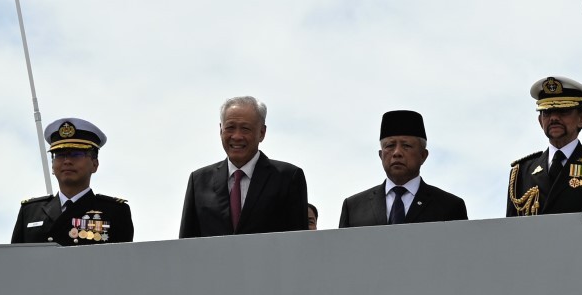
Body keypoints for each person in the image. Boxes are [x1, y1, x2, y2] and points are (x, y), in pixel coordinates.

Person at [178, 95, 310, 237]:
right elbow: (186, 245)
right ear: (220, 130)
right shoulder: (198, 181)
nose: (237, 136)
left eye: (245, 129)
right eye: (230, 127)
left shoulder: (288, 178)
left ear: (262, 133)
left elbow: (299, 244)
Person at [506, 76, 582, 215]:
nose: (554, 118)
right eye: (547, 112)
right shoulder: (522, 173)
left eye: (563, 111)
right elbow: (511, 231)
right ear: (540, 121)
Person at [11, 117, 133, 244]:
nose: (67, 161)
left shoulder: (115, 212)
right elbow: (15, 261)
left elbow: (122, 261)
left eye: (76, 154)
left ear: (94, 164)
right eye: (59, 155)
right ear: (52, 166)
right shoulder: (30, 212)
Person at [340, 109, 469, 226]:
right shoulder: (353, 207)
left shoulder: (449, 206)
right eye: (390, 145)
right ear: (381, 155)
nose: (397, 153)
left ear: (423, 155)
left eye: (406, 145)